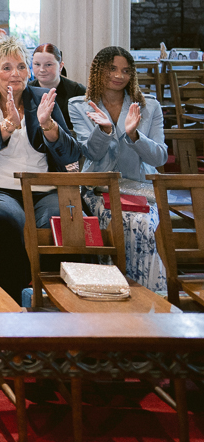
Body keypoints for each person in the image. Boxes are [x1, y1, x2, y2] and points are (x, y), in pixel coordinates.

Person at [0, 35, 80, 303]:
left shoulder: (42, 98)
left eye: (21, 67)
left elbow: (71, 153)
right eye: (7, 68)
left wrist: (49, 127)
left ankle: (57, 309)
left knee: (65, 222)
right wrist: (6, 126)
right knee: (4, 221)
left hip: (44, 188)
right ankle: (7, 307)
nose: (15, 74)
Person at [70, 46, 168, 292]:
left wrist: (135, 135)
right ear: (99, 70)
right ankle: (109, 289)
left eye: (125, 70)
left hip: (139, 188)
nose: (119, 75)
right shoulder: (80, 106)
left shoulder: (149, 107)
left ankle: (147, 294)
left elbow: (160, 158)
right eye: (112, 69)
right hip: (99, 188)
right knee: (115, 220)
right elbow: (91, 153)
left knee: (141, 223)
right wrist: (103, 131)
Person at [30, 43, 86, 131]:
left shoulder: (78, 91)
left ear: (60, 66)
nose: (42, 69)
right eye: (37, 64)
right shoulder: (27, 90)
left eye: (48, 65)